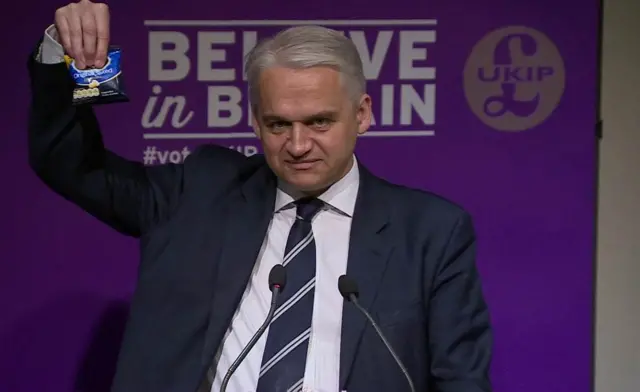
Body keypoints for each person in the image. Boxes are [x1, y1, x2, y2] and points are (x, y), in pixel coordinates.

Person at [27, 1, 493, 391]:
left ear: (363, 114)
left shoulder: (430, 231)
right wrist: (69, 59)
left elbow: (461, 379)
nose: (297, 145)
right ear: (254, 121)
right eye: (278, 124)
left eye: (319, 122)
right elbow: (72, 166)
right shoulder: (199, 191)